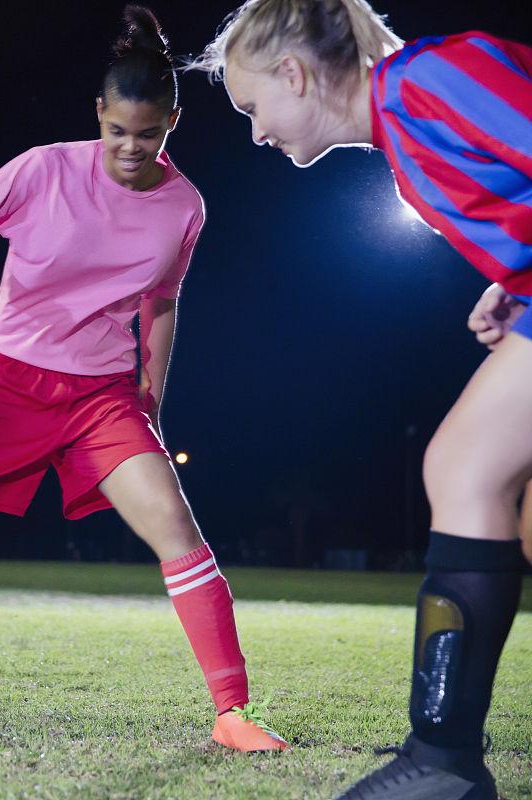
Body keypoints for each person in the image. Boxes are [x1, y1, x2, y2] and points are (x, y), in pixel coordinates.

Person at [0, 4, 288, 753]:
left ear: (172, 124)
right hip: (4, 388)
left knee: (177, 529)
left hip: (99, 398)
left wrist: (151, 396)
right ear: (98, 114)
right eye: (117, 130)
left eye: (146, 134)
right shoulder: (43, 169)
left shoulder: (184, 207)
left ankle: (232, 712)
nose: (129, 147)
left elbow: (161, 303)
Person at [189, 1, 531, 796]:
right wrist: (512, 283)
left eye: (252, 108)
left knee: (465, 468)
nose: (256, 132)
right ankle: (443, 762)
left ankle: (442, 764)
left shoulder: (427, 80)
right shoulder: (404, 135)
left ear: (293, 74)